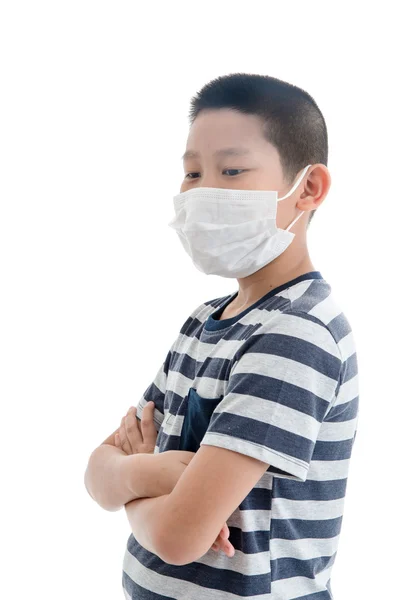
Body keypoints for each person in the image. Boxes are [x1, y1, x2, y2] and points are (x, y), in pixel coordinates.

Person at [121, 73, 360, 599]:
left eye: (231, 170)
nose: (204, 190)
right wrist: (153, 474)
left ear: (309, 188)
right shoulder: (205, 320)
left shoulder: (297, 334)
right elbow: (99, 466)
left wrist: (132, 480)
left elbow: (178, 537)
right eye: (192, 172)